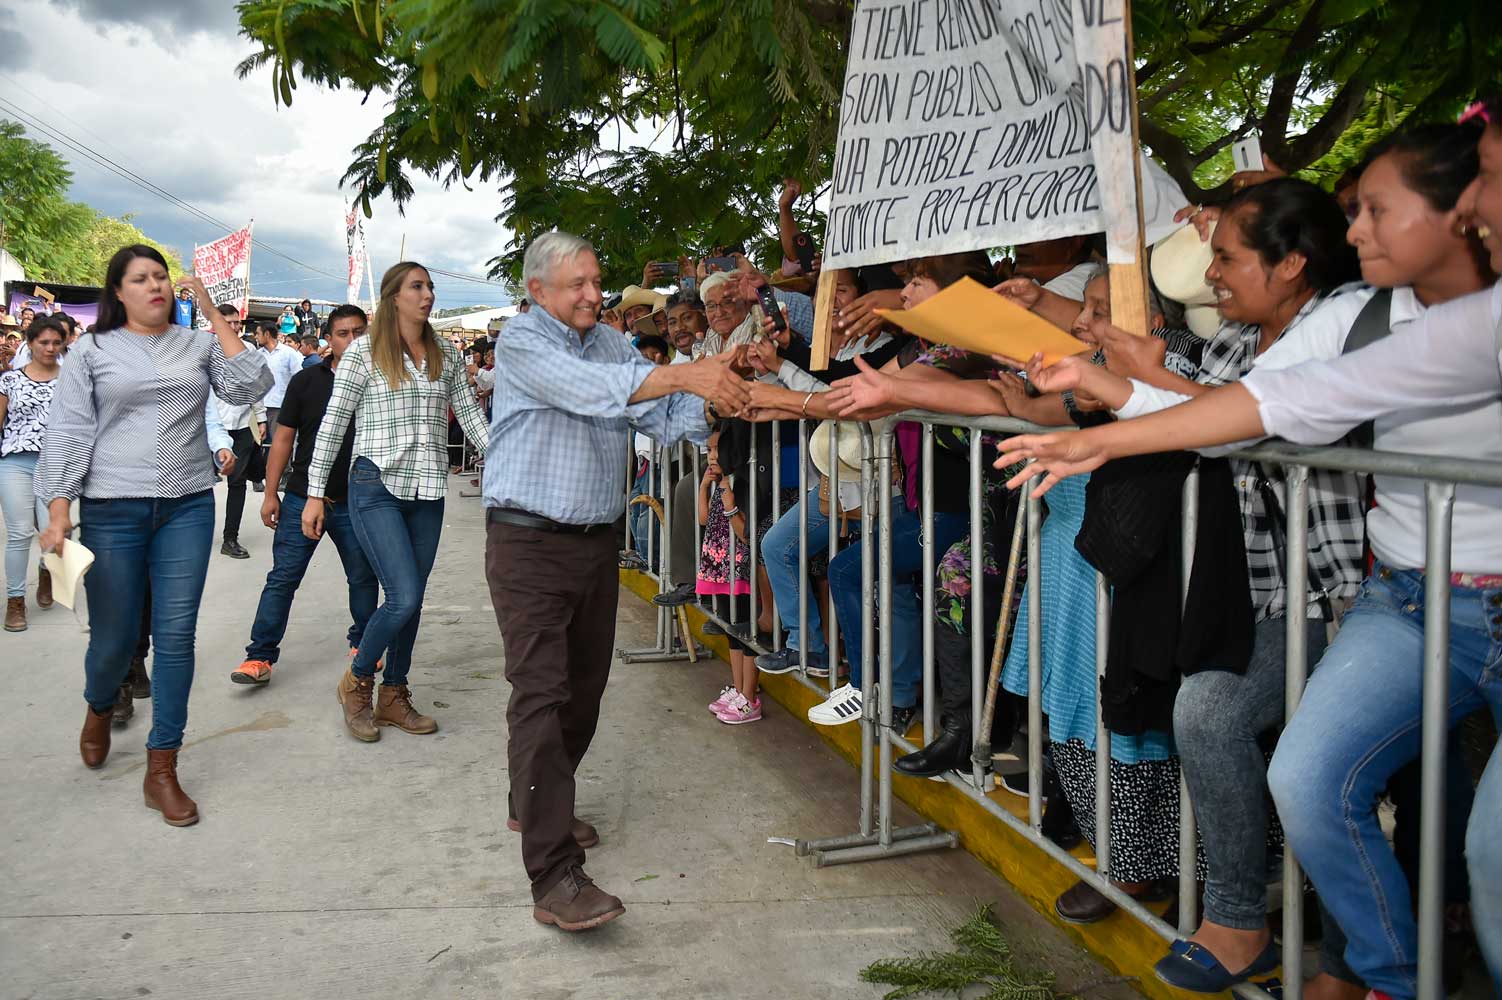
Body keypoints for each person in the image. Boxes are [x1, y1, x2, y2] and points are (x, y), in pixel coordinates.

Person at [998, 103, 1502, 1000]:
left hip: (1356, 597)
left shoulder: (1397, 315)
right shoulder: (1388, 318)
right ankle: (1384, 969)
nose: (1357, 226)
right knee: (1308, 777)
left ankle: (1381, 951)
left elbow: (1266, 405)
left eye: (1376, 210)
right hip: (1398, 599)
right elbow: (1268, 405)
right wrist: (1111, 399)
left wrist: (1112, 412)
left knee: (1477, 842)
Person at [482, 231, 749, 932]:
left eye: (596, 282)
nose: (594, 296)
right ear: (538, 290)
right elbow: (594, 393)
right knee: (540, 694)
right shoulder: (522, 343)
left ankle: (535, 801)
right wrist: (689, 376)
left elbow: (666, 420)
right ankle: (553, 872)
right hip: (528, 542)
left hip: (594, 544)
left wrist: (722, 379)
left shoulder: (608, 343)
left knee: (582, 697)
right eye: (577, 285)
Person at [35, 244, 272, 827]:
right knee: (113, 641)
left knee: (175, 639)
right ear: (118, 292)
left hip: (186, 507)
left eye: (161, 277)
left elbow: (249, 386)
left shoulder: (196, 344)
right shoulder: (92, 349)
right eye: (139, 279)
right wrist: (59, 507)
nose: (155, 286)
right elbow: (69, 428)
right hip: (112, 508)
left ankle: (161, 765)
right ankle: (98, 704)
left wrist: (214, 314)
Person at [304, 263, 489, 742]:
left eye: (430, 286)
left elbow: (470, 417)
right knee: (402, 596)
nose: (428, 294)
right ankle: (357, 683)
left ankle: (394, 695)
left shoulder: (444, 352)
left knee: (413, 601)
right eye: (417, 287)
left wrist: (509, 460)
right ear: (393, 297)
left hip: (428, 489)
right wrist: (314, 494)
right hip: (374, 485)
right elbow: (333, 425)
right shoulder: (364, 352)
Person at [231, 305, 377, 687]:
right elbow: (283, 439)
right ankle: (259, 656)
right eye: (343, 333)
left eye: (359, 332)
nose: (352, 340)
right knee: (282, 578)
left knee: (362, 577)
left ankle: (364, 643)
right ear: (328, 339)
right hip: (301, 497)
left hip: (358, 501)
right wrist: (270, 493)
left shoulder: (380, 385)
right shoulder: (307, 382)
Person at [0, 315, 65, 632]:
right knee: (19, 533)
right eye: (44, 342)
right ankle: (15, 602)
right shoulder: (8, 380)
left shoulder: (70, 380)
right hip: (15, 463)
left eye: (56, 342)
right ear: (30, 343)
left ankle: (46, 572)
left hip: (54, 465)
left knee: (54, 533)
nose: (51, 348)